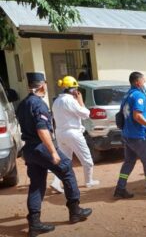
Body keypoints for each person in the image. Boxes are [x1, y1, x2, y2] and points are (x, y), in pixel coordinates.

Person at [16, 72, 92, 237]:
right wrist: (52, 152)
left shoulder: (23, 104)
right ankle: (75, 211)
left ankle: (34, 223)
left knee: (36, 184)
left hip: (29, 149)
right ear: (42, 85)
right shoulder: (39, 104)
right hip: (41, 146)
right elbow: (42, 129)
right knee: (67, 169)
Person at [114, 71, 146, 199]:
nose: (145, 83)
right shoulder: (138, 96)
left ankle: (120, 188)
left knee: (129, 162)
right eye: (144, 81)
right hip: (138, 135)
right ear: (138, 82)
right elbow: (137, 116)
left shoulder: (127, 95)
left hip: (127, 134)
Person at [50, 76, 100, 193]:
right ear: (72, 90)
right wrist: (80, 101)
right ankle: (89, 181)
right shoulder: (70, 101)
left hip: (60, 133)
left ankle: (56, 182)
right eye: (76, 89)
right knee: (87, 159)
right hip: (73, 133)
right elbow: (86, 114)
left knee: (64, 160)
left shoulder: (57, 101)